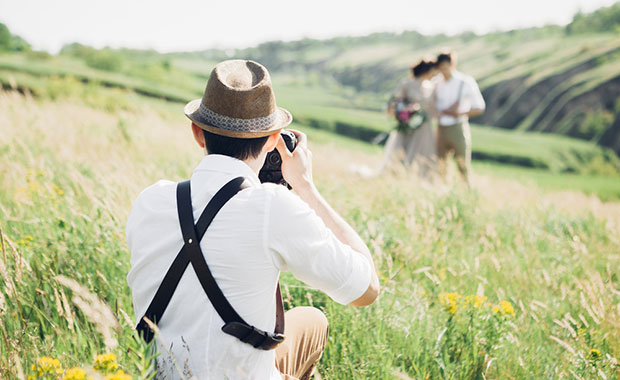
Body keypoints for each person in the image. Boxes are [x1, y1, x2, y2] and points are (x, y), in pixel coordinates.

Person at [126, 60, 380, 380]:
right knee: (313, 321)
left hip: (161, 375)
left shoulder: (149, 201)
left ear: (197, 133)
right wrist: (305, 187)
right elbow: (367, 289)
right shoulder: (274, 207)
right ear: (274, 139)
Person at [434, 51, 485, 186]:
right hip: (440, 129)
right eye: (440, 68)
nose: (443, 71)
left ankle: (467, 193)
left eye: (445, 67)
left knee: (463, 165)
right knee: (440, 166)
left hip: (458, 127)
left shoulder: (465, 82)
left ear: (452, 64)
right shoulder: (436, 83)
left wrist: (459, 113)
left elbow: (479, 107)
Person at [379, 59, 438, 178]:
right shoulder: (407, 84)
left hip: (424, 128)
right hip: (407, 125)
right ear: (427, 70)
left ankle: (416, 178)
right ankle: (395, 175)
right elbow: (397, 103)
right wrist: (407, 112)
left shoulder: (432, 87)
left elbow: (433, 109)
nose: (435, 73)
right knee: (401, 152)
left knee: (422, 154)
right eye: (433, 70)